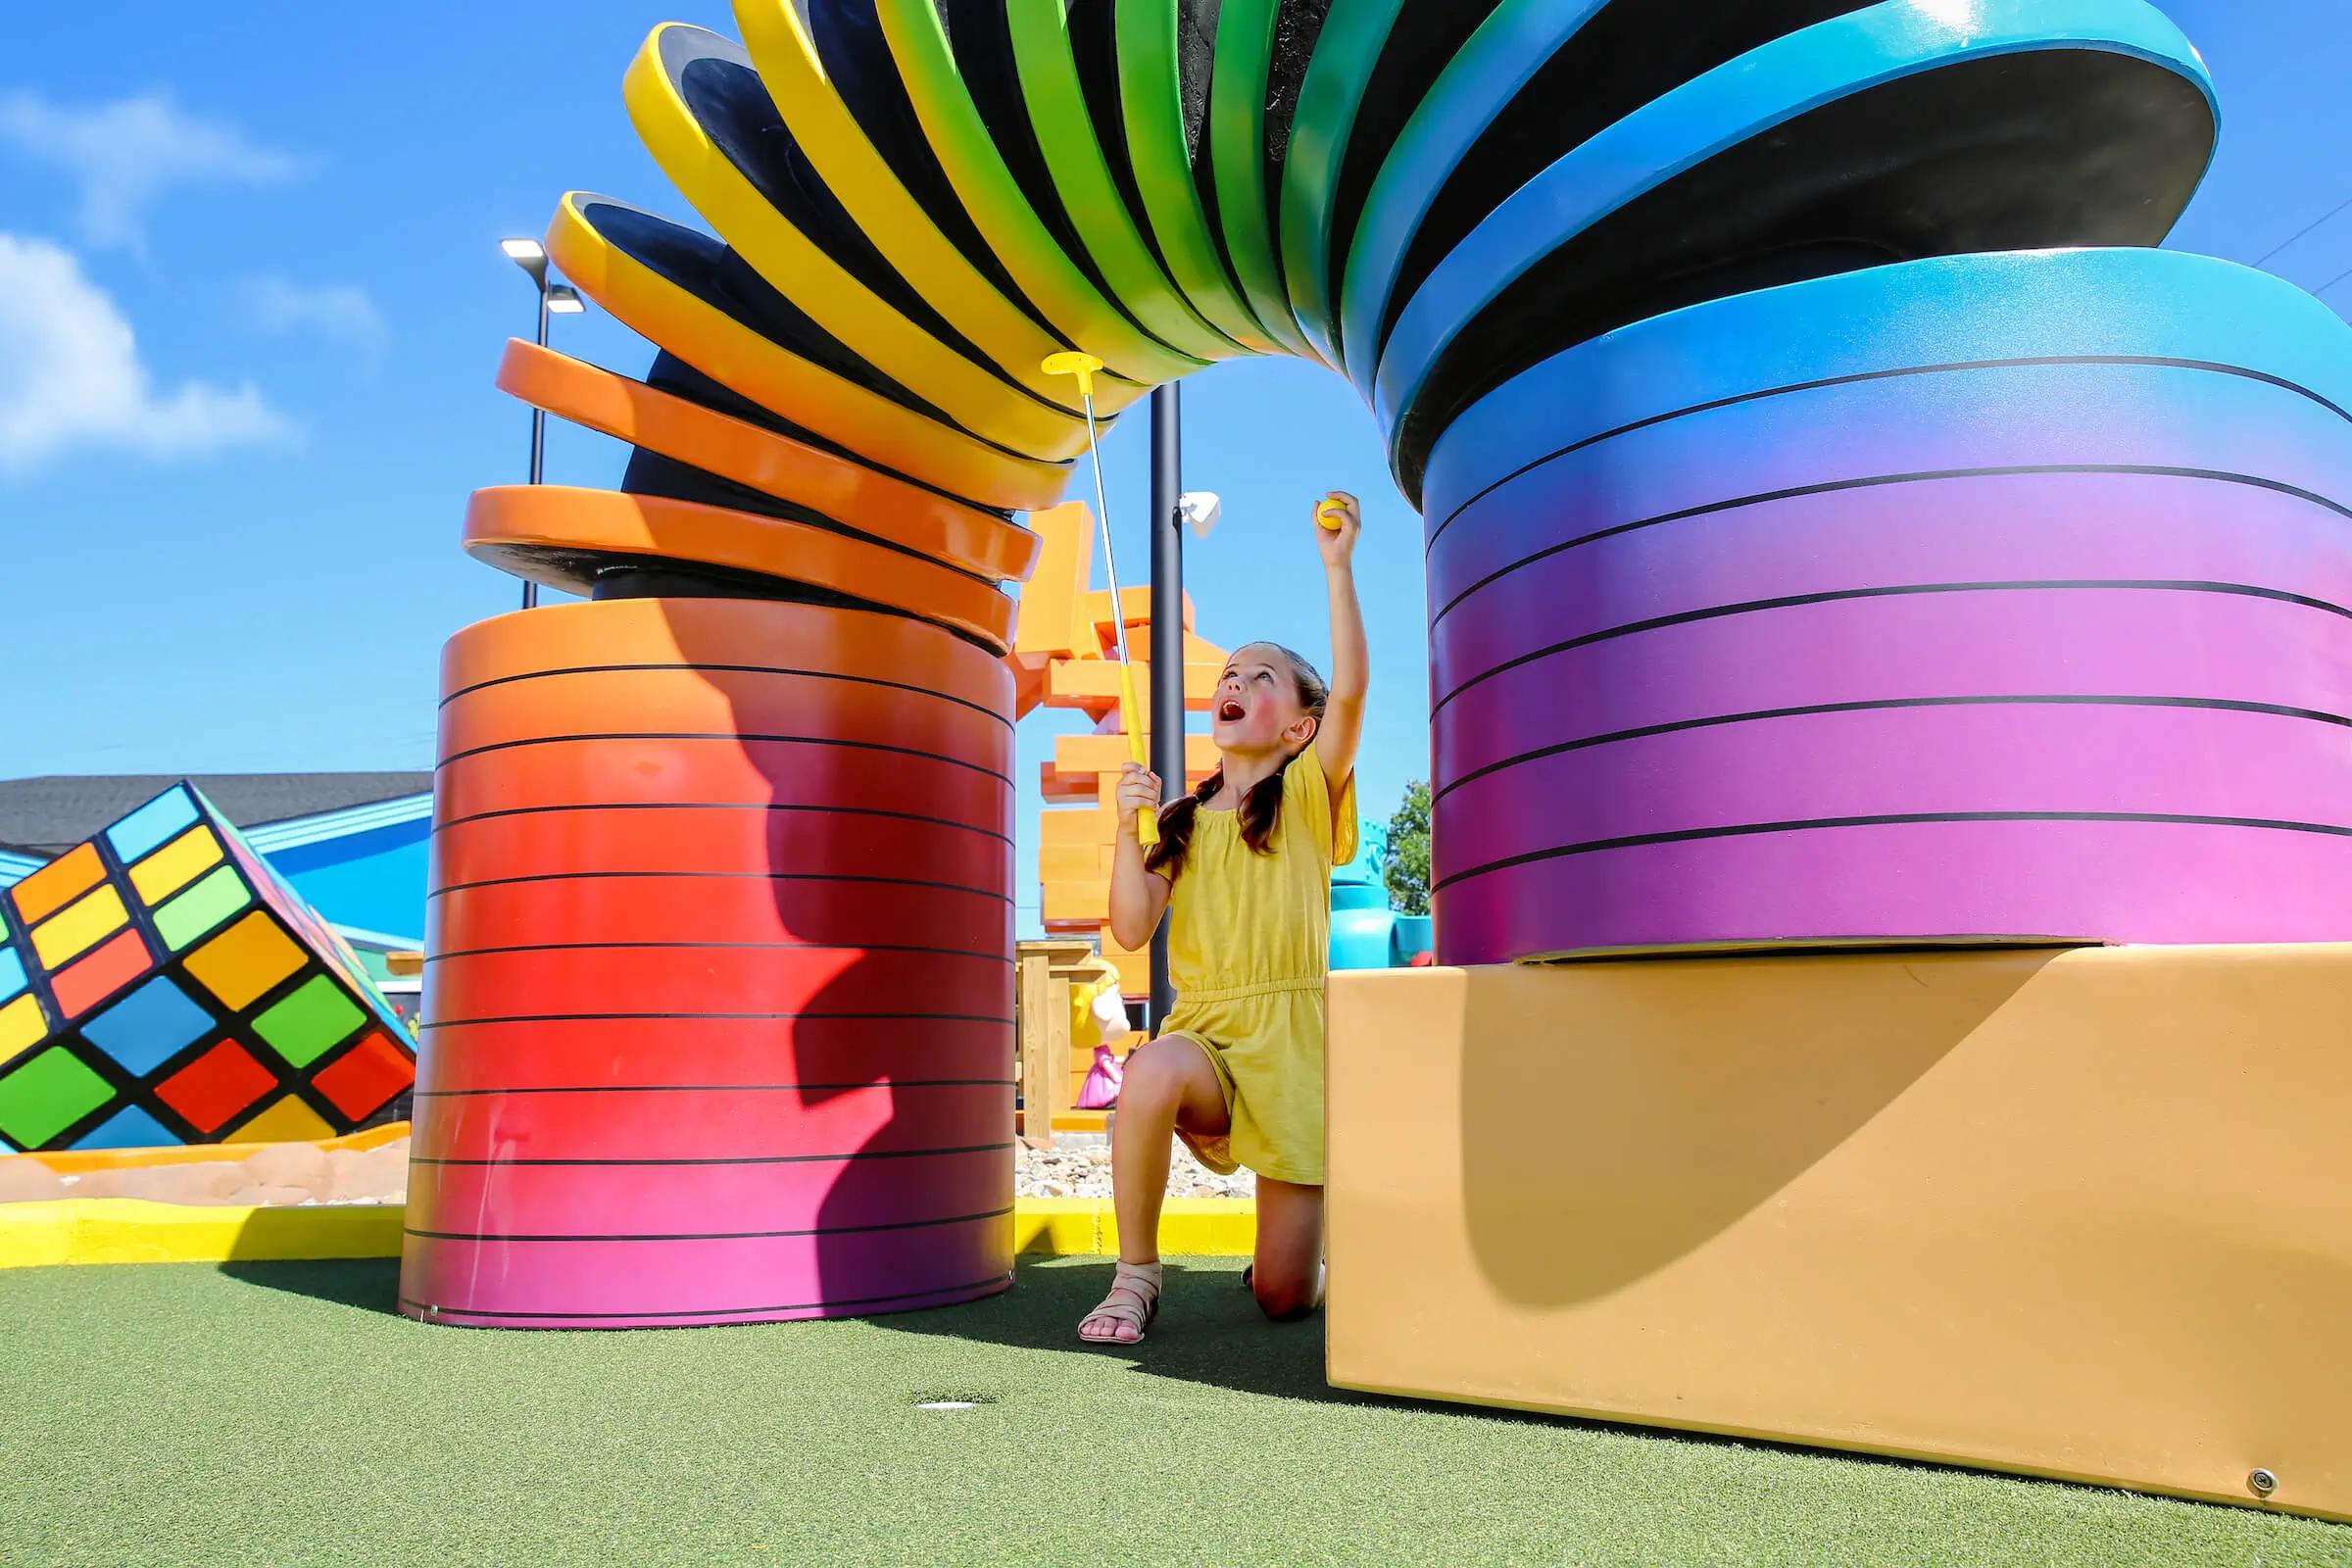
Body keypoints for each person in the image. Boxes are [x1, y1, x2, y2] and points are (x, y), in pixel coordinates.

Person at [1078, 491, 1367, 1345]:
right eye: (1228, 675)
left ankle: (1309, 1257)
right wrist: (1123, 830)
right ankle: (1135, 1278)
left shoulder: (1311, 793)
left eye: (1260, 676)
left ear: (1298, 729)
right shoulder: (1180, 821)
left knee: (1283, 1297)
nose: (1234, 682)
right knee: (1151, 1070)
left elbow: (1350, 693)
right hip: (1205, 1038)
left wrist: (1338, 565)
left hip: (1294, 1053)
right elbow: (1131, 930)